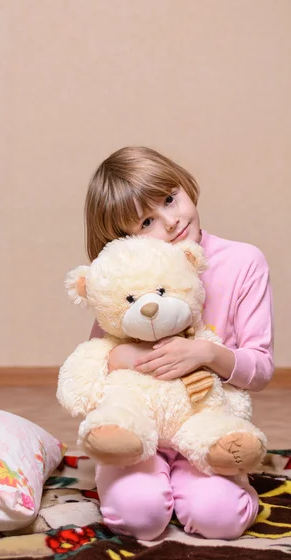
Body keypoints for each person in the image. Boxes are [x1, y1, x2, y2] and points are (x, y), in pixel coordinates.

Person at [84, 146, 274, 541]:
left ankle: (225, 489)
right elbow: (98, 356)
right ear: (123, 238)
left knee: (220, 518)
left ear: (186, 185)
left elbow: (260, 369)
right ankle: (144, 482)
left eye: (171, 199)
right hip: (143, 427)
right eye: (147, 221)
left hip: (208, 422)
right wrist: (132, 356)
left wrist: (205, 353)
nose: (170, 222)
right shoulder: (133, 272)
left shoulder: (243, 262)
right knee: (138, 517)